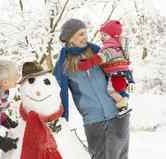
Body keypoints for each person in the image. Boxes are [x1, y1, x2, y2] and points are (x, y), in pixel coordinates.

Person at [54, 18, 130, 159]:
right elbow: (59, 93)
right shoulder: (63, 64)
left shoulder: (97, 51)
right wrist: (62, 119)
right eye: (81, 34)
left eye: (85, 33)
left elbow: (117, 68)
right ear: (70, 37)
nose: (85, 37)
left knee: (121, 156)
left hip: (116, 112)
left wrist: (123, 92)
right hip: (93, 119)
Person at [81, 20, 135, 117]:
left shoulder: (110, 48)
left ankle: (123, 104)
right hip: (122, 74)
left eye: (105, 35)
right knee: (119, 90)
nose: (102, 37)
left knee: (111, 91)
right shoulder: (118, 48)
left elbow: (101, 58)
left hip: (116, 74)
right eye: (101, 35)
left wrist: (88, 63)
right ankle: (123, 101)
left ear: (114, 36)